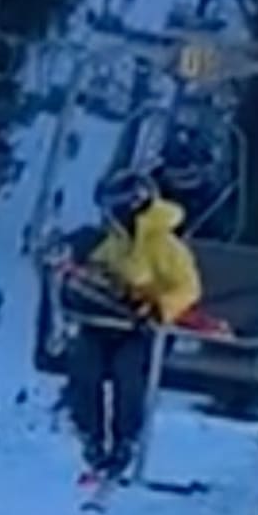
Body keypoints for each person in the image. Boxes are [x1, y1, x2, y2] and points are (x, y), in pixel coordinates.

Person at [66, 169, 201, 481]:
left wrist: (158, 308)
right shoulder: (116, 242)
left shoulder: (165, 245)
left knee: (129, 371)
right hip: (107, 321)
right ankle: (92, 434)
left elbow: (188, 288)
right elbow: (102, 267)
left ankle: (126, 437)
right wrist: (93, 280)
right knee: (85, 364)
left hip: (144, 329)